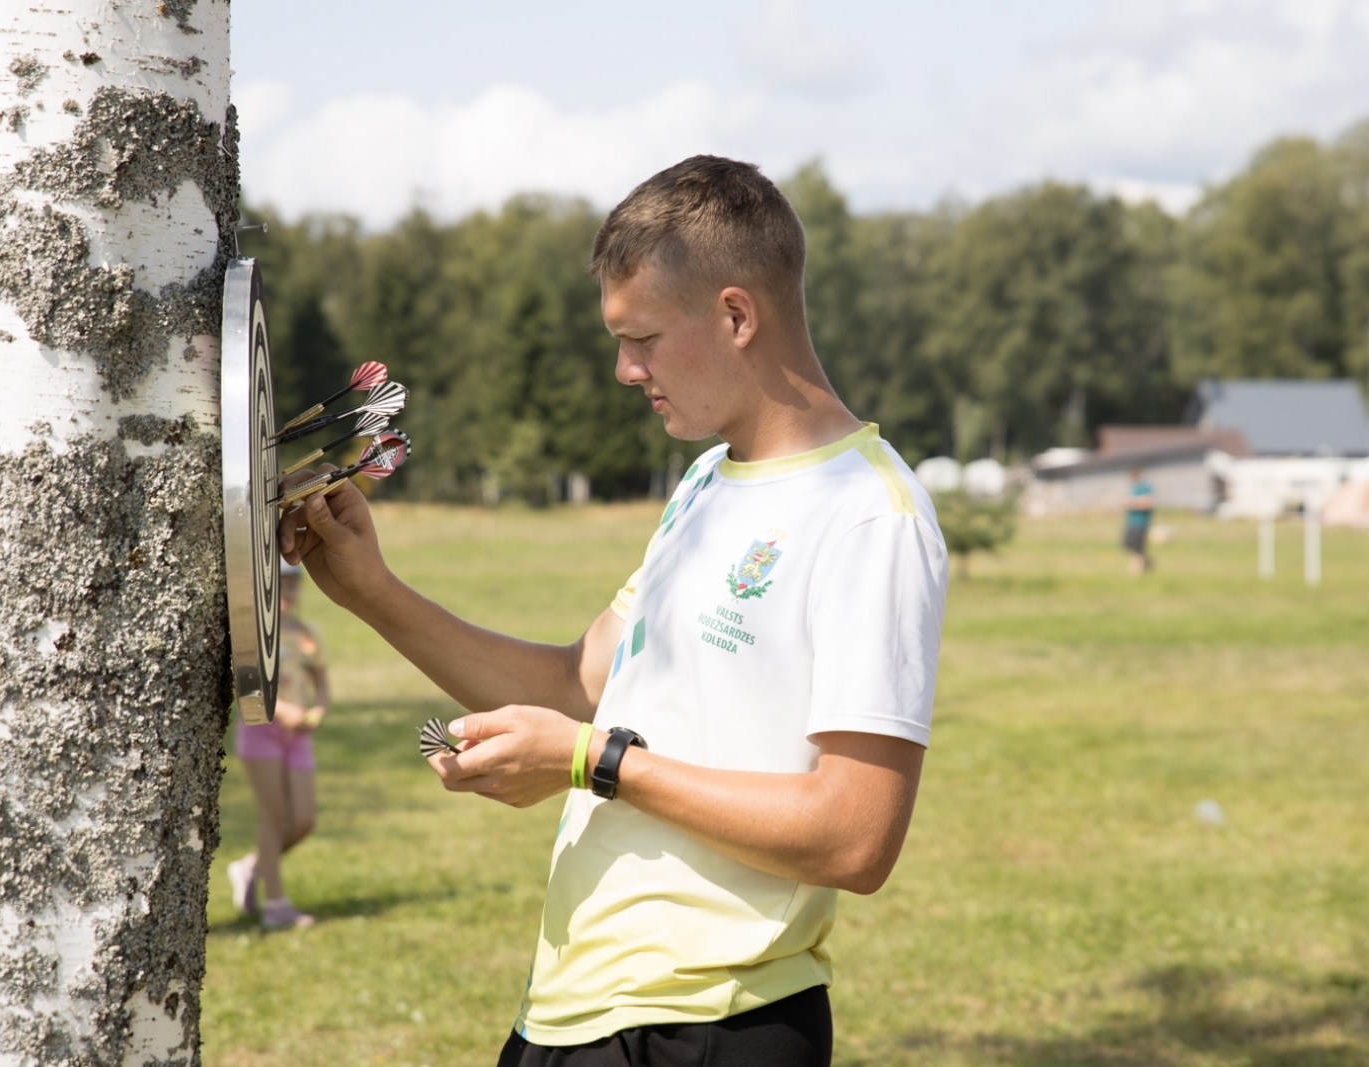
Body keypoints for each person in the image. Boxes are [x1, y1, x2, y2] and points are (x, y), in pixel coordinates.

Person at [278, 156, 949, 1066]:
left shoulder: (871, 515)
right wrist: (371, 592)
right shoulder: (708, 480)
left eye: (643, 339)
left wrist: (593, 762)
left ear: (737, 315)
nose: (626, 371)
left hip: (712, 1023)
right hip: (571, 1012)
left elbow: (855, 835)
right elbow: (577, 684)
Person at [226, 559, 330, 931]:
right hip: (262, 730)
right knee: (274, 818)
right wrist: (282, 709)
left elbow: (321, 682)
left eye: (291, 587)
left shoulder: (307, 633)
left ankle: (251, 868)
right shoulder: (252, 631)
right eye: (279, 587)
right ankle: (275, 905)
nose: (286, 594)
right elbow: (246, 683)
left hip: (297, 735)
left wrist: (319, 708)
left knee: (303, 820)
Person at [1123, 468, 1156, 575]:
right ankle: (1149, 562)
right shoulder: (1133, 488)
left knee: (1138, 548)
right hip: (1131, 521)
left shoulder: (1146, 487)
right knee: (1128, 545)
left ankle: (1135, 572)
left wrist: (1132, 503)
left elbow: (1148, 503)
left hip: (1141, 522)